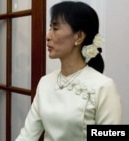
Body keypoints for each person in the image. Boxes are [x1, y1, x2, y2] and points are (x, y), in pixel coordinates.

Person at [16, 1, 122, 141]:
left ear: (78, 37)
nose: (48, 36)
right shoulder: (45, 82)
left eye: (55, 28)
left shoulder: (103, 86)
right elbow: (27, 135)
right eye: (50, 28)